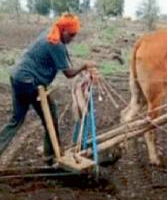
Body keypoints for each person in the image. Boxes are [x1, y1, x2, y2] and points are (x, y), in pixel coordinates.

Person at [0, 13, 96, 165]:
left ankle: (50, 154)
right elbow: (69, 73)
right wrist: (84, 66)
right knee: (50, 114)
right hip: (28, 81)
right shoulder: (55, 43)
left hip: (17, 77)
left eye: (75, 35)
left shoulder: (51, 33)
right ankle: (51, 155)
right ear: (63, 30)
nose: (72, 38)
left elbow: (64, 62)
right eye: (71, 34)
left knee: (16, 120)